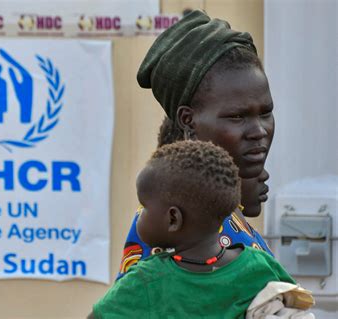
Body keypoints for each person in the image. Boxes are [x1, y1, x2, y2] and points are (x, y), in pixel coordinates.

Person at [118, 9, 275, 278]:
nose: (259, 131)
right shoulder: (170, 221)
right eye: (237, 116)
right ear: (188, 120)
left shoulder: (219, 212)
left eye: (265, 113)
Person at [92, 141, 294, 318]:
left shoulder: (146, 281)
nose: (140, 216)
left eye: (143, 207)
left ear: (173, 219)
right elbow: (296, 302)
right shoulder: (260, 265)